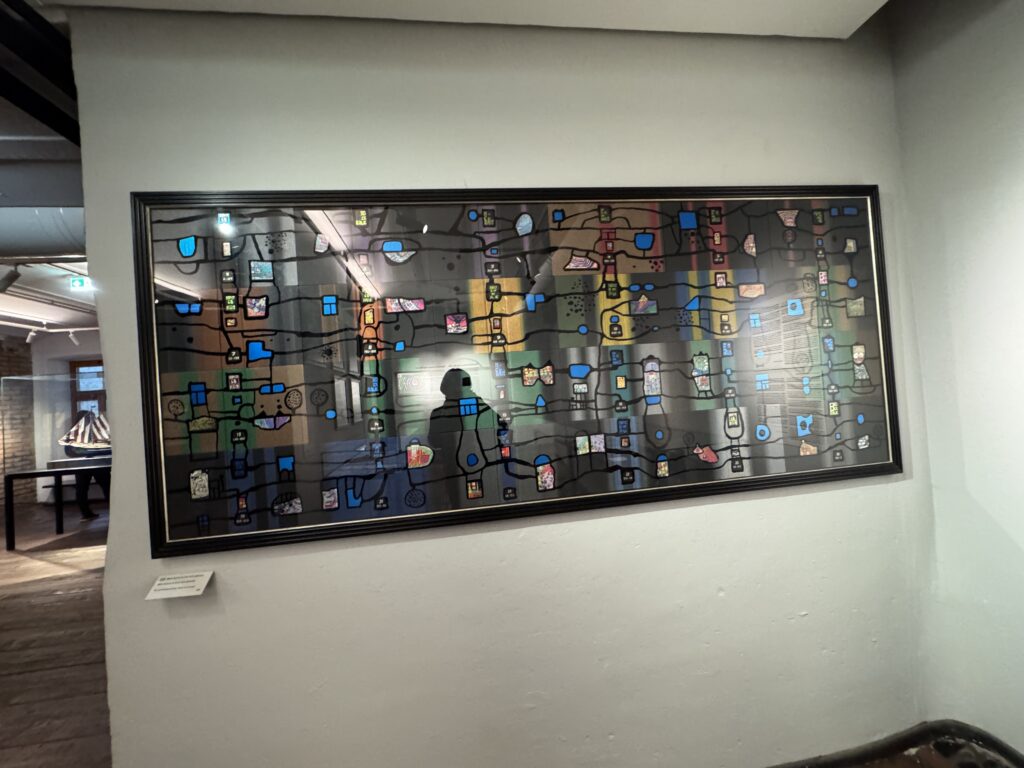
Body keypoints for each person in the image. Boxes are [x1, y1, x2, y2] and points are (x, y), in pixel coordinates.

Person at [61, 410, 112, 519]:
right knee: (83, 489)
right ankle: (86, 513)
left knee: (106, 486)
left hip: (95, 464)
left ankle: (110, 510)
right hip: (85, 465)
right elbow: (70, 451)